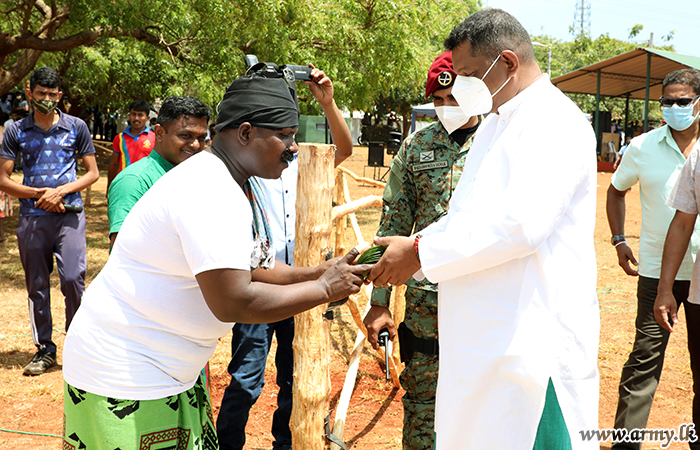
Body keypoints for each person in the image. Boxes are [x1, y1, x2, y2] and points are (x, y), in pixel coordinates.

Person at [61, 69, 372, 450]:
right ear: (245, 134)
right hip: (127, 374)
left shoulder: (228, 180)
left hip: (169, 373)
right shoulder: (209, 189)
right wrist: (324, 288)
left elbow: (254, 268)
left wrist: (314, 273)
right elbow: (233, 300)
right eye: (286, 136)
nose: (294, 148)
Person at [366, 9, 599, 449]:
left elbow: (521, 225)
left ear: (507, 62)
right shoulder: (496, 123)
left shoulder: (553, 121)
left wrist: (419, 253)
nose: (464, 86)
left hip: (530, 340)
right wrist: (415, 245)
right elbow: (465, 216)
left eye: (471, 74)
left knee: (526, 432)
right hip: (483, 335)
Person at [216, 65, 353, 450]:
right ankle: (227, 443)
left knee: (296, 376)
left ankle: (286, 443)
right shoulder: (250, 166)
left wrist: (328, 102)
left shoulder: (299, 165)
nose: (289, 145)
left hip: (302, 285)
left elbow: (344, 150)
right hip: (257, 284)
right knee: (247, 377)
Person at [362, 51, 479, 450]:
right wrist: (379, 302)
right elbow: (392, 226)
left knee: (483, 401)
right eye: (439, 101)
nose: (446, 108)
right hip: (426, 300)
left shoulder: (496, 144)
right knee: (422, 403)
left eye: (454, 100)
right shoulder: (416, 147)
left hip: (484, 294)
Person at [609, 68, 700, 450]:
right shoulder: (642, 147)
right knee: (643, 363)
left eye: (683, 101)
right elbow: (616, 191)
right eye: (668, 102)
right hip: (655, 273)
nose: (675, 108)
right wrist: (618, 239)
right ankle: (625, 445)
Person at [0, 66, 99, 376]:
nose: (46, 99)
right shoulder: (16, 130)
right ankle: (45, 349)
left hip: (69, 216)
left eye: (52, 94)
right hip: (33, 218)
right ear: (30, 93)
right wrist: (34, 193)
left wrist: (60, 193)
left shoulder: (77, 126)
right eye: (40, 93)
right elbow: (3, 179)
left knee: (73, 279)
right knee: (37, 286)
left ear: (59, 95)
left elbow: (93, 173)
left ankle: (78, 345)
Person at [107, 96, 209, 251]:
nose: (195, 145)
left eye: (201, 138)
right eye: (186, 136)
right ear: (159, 133)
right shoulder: (134, 181)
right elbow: (126, 251)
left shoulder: (196, 177)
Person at [106, 99, 155, 193]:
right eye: (133, 114)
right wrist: (110, 187)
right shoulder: (119, 138)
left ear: (147, 118)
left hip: (147, 187)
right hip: (124, 186)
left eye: (140, 115)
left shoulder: (155, 138)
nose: (136, 118)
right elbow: (114, 164)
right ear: (129, 116)